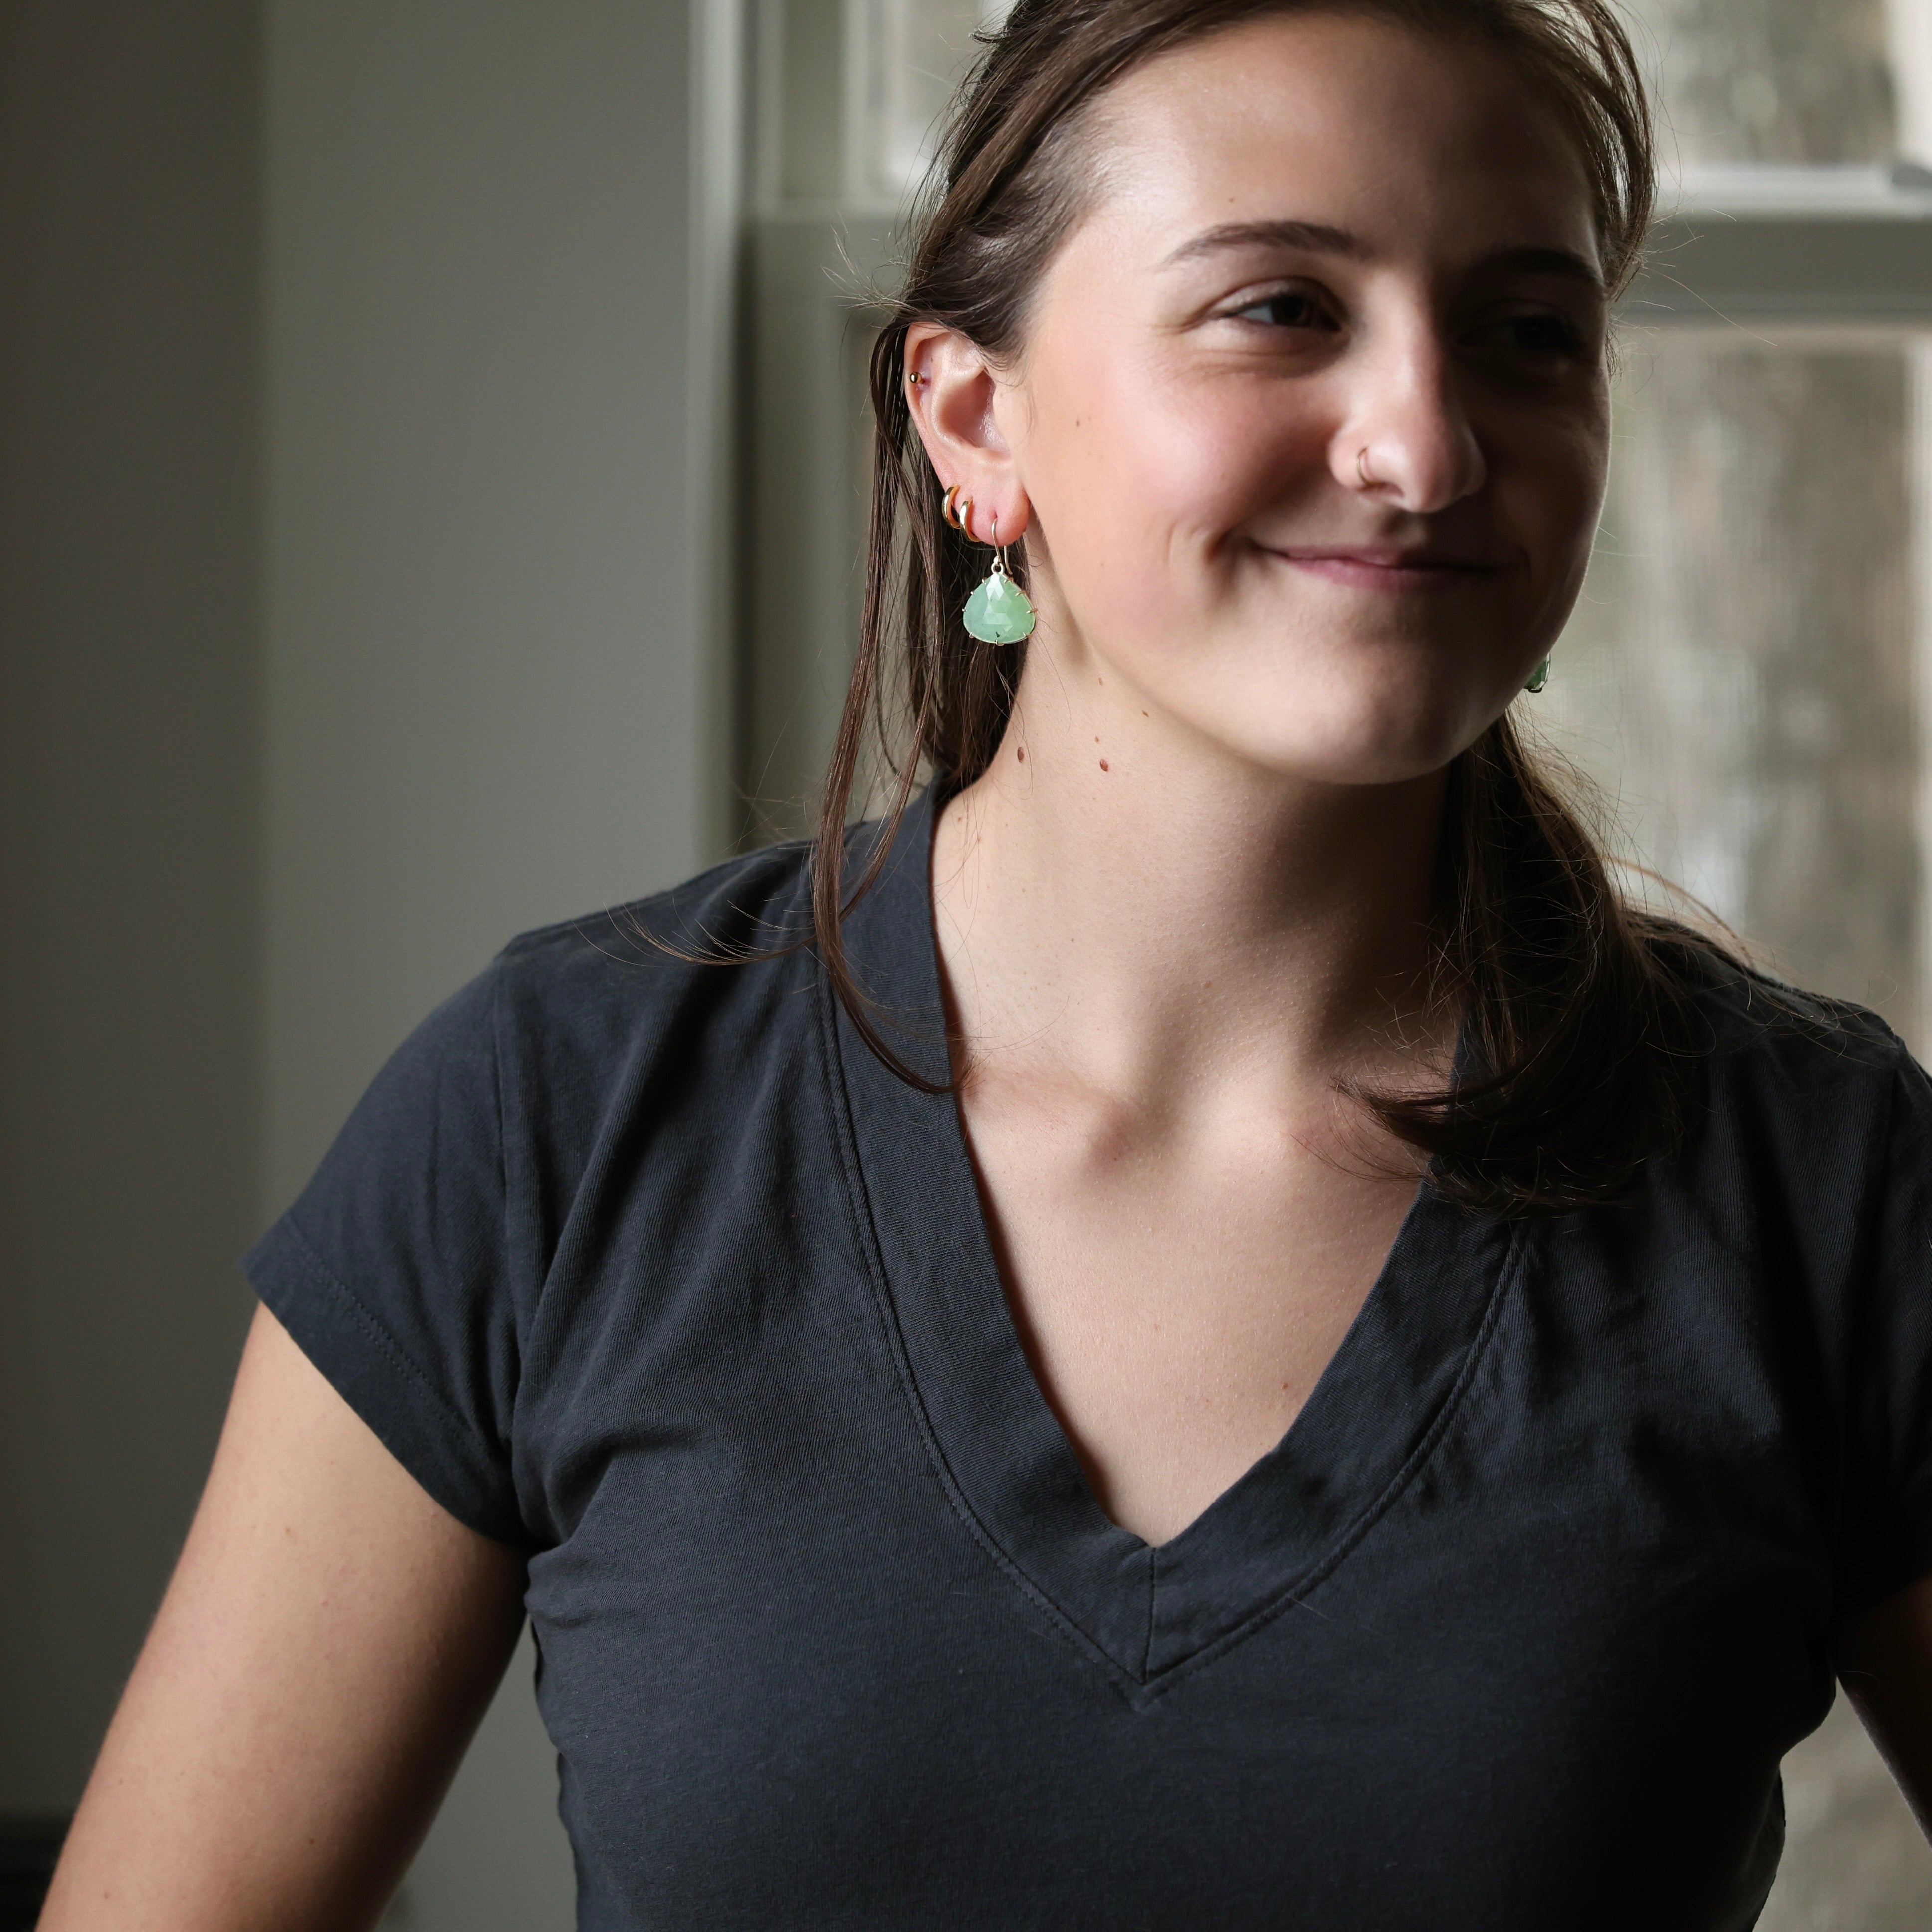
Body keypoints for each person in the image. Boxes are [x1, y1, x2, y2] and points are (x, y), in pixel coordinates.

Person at [41, 1, 1932, 1926]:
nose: (1424, 439)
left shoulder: (1829, 1185)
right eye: (1281, 305)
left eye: (1529, 335)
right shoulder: (550, 1122)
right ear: (974, 417)